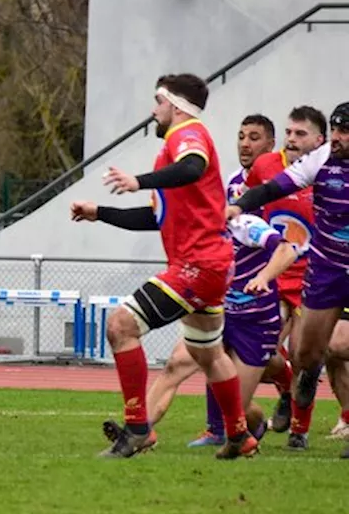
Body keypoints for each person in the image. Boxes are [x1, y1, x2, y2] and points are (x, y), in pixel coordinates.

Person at [70, 73, 257, 459]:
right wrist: (99, 213)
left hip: (198, 265)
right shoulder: (173, 149)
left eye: (158, 101)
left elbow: (191, 166)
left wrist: (137, 181)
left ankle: (138, 429)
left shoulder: (185, 135)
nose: (153, 110)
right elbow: (156, 218)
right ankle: (240, 436)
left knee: (120, 325)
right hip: (212, 266)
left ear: (175, 106)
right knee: (209, 355)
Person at [229, 101, 349, 456]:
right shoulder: (322, 158)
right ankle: (307, 376)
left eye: (345, 132)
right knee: (305, 353)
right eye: (336, 130)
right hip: (325, 267)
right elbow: (274, 187)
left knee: (340, 344)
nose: (338, 138)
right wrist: (239, 205)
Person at [138, 212, 302, 445]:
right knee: (176, 365)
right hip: (218, 315)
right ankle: (138, 431)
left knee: (234, 404)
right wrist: (99, 213)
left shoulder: (244, 224)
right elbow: (148, 219)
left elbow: (287, 250)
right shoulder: (194, 231)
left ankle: (260, 420)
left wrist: (264, 277)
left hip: (255, 323)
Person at [240, 106, 322, 448]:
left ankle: (299, 432)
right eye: (289, 132)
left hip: (311, 277)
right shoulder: (266, 167)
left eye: (300, 134)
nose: (291, 139)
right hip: (273, 272)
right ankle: (287, 387)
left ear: (319, 141)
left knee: (303, 352)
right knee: (265, 350)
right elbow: (250, 206)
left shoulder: (329, 174)